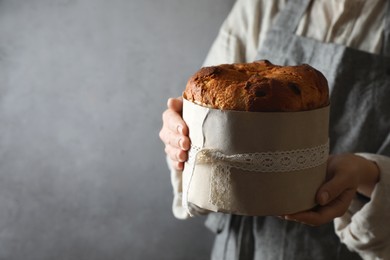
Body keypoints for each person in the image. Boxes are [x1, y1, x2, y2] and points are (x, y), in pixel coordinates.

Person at [159, 0, 390, 259]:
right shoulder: (261, 5)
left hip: (337, 249)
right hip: (239, 246)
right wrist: (182, 139)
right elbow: (205, 112)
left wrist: (369, 174)